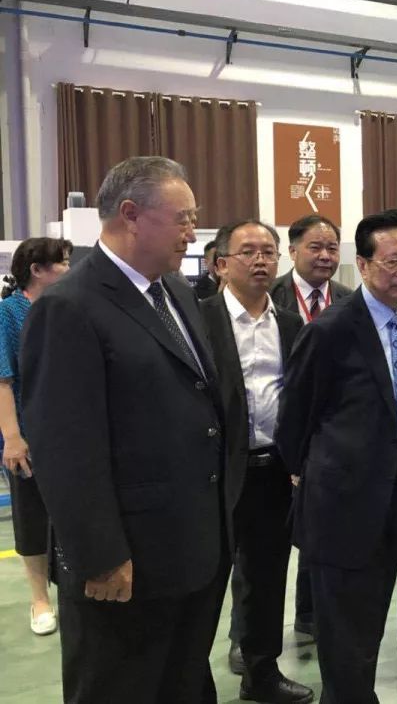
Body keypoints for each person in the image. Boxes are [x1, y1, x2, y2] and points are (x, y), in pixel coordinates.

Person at [21, 157, 234, 704]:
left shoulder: (176, 294)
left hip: (193, 547)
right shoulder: (70, 306)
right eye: (183, 219)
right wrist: (100, 555)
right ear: (131, 215)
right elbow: (64, 446)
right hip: (126, 563)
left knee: (184, 683)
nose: (193, 233)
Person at [276, 209, 397, 704]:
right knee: (342, 631)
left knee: (369, 621)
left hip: (395, 495)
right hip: (341, 505)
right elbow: (294, 418)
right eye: (392, 261)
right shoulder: (332, 330)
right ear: (362, 265)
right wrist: (313, 474)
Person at [201, 220, 313, 704]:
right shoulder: (198, 318)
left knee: (266, 577)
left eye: (269, 251)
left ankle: (261, 673)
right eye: (248, 252)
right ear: (221, 264)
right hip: (213, 472)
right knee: (206, 577)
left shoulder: (289, 324)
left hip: (273, 470)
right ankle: (189, 678)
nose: (261, 260)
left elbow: (301, 395)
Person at [269, 213, 352, 637]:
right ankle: (251, 638)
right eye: (315, 247)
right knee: (263, 547)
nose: (324, 256)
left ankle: (310, 614)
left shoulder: (349, 300)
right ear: (293, 250)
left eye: (331, 248)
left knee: (320, 532)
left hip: (327, 437)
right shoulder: (269, 296)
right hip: (272, 435)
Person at [0, 237, 71, 637]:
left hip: (72, 432)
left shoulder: (68, 307)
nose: (69, 269)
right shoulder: (9, 313)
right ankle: (39, 599)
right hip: (29, 434)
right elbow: (3, 379)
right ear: (37, 270)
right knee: (31, 517)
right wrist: (12, 438)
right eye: (62, 263)